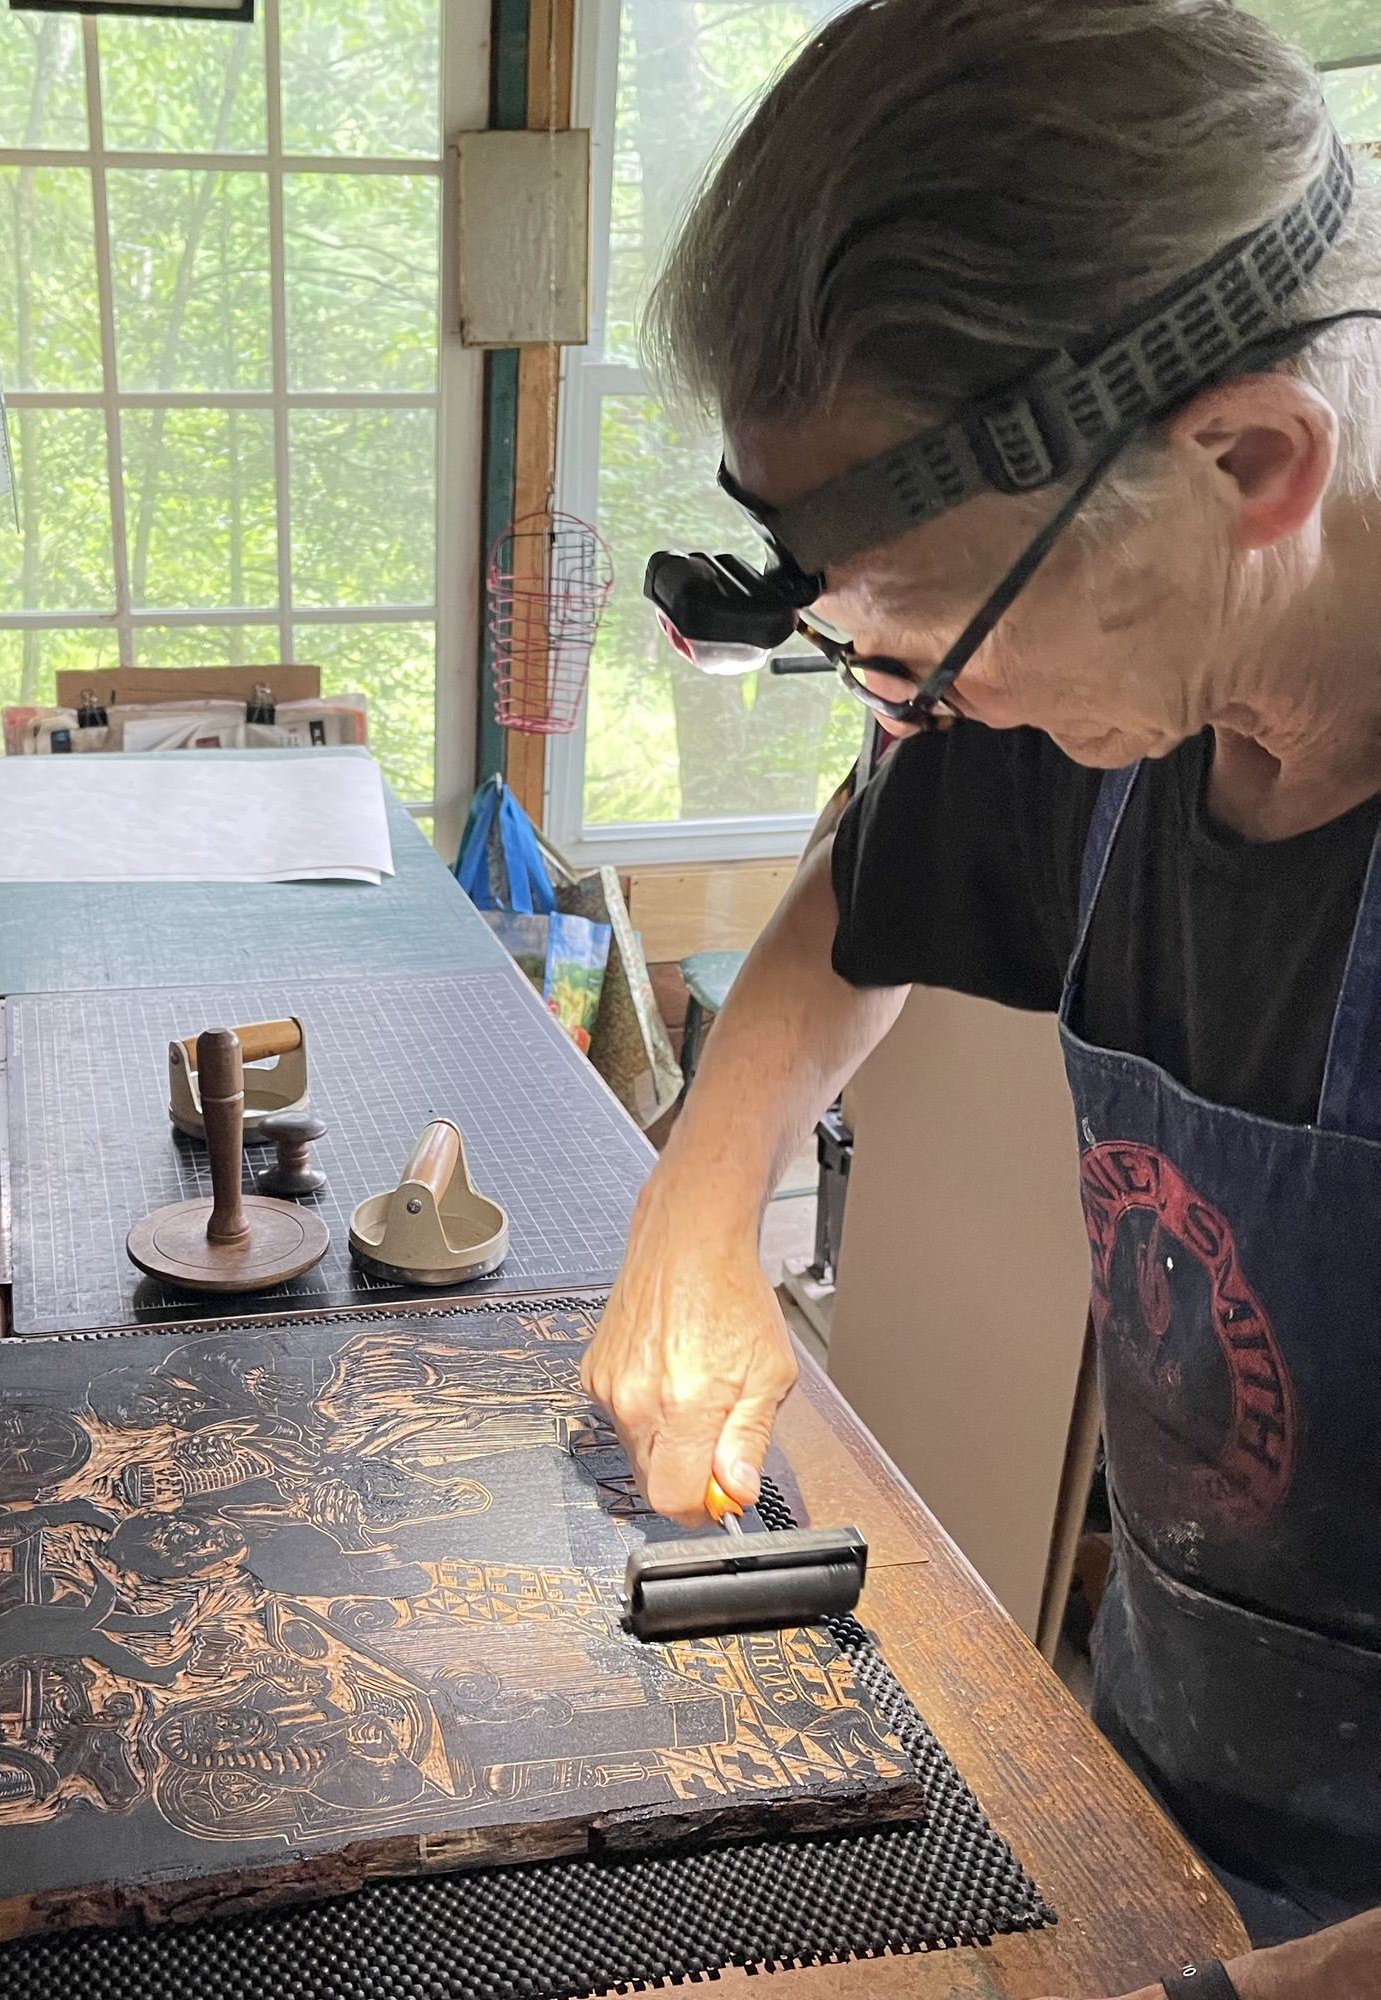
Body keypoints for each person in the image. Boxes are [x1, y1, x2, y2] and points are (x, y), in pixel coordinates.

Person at [579, 2, 1381, 1992]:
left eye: (933, 649)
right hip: (1168, 1785)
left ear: (1249, 461)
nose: (926, 714)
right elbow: (862, 893)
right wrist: (705, 1187)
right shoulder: (1123, 646)